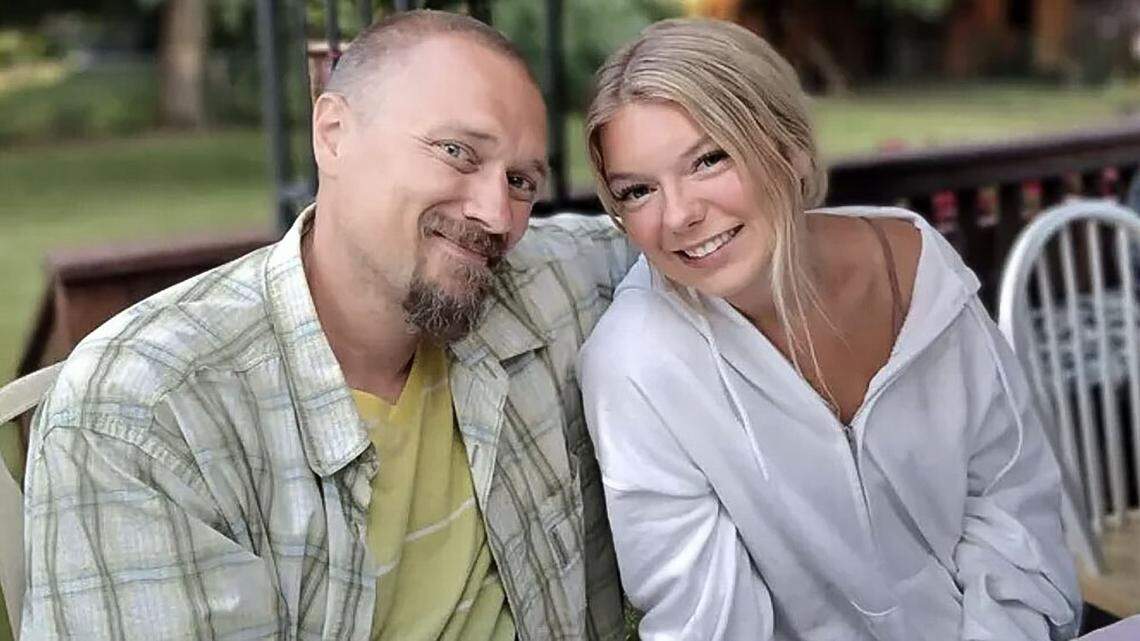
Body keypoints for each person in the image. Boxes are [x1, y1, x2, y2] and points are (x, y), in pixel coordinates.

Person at [22, 10, 633, 640]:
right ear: (333, 133)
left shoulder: (546, 285)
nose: (496, 214)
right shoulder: (148, 412)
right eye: (456, 152)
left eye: (521, 182)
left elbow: (691, 232)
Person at [579, 18, 1080, 641]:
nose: (678, 215)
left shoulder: (916, 265)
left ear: (788, 147)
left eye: (709, 159)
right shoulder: (634, 364)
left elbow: (1012, 500)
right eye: (637, 190)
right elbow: (706, 623)